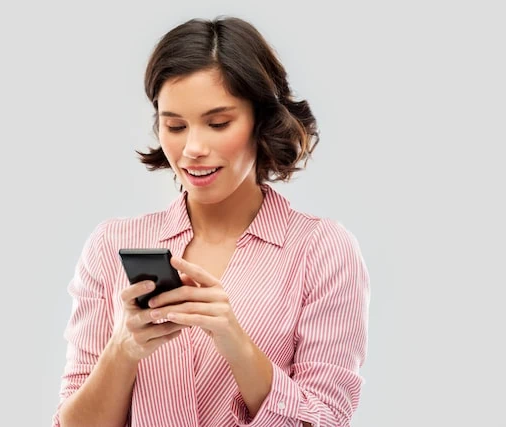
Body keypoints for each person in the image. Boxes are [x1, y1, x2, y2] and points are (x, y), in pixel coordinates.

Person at [52, 16, 370, 427]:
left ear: (261, 121)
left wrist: (236, 344)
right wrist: (123, 348)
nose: (193, 148)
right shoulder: (111, 244)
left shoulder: (321, 250)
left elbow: (325, 419)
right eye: (175, 126)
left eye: (218, 123)